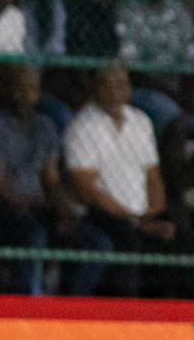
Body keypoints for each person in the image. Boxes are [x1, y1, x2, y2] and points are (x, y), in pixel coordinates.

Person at [0, 64, 102, 295]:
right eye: (19, 89)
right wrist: (40, 203)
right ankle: (29, 304)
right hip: (6, 209)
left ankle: (71, 309)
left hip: (40, 207)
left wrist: (61, 210)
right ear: (7, 91)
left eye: (32, 89)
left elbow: (51, 179)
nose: (25, 95)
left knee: (95, 242)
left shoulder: (45, 126)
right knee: (34, 234)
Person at [62, 64, 174, 296]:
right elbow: (87, 190)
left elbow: (153, 176)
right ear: (95, 88)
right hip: (96, 215)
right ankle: (126, 317)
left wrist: (155, 212)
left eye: (121, 84)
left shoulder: (141, 121)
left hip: (139, 215)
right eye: (107, 85)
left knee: (178, 236)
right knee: (127, 239)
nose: (115, 91)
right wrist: (136, 221)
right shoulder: (82, 126)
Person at [117, 0, 194, 138]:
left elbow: (191, 61)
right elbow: (134, 72)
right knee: (175, 121)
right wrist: (175, 97)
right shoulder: (129, 10)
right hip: (142, 91)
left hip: (178, 91)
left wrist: (188, 96)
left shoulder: (178, 11)